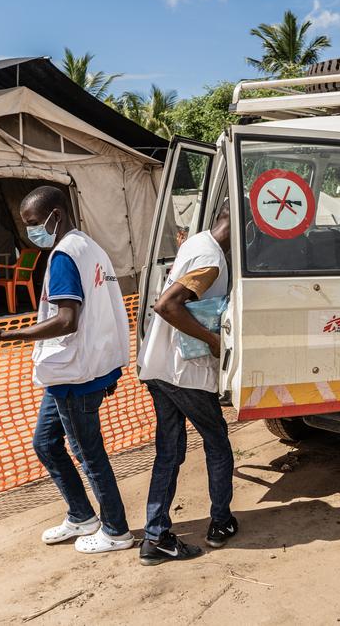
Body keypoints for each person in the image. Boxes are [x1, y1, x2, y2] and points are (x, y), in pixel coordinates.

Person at [0, 186, 133, 555]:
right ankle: (82, 516)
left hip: (75, 373)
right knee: (45, 443)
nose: (30, 232)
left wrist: (4, 334)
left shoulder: (64, 256)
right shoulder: (91, 247)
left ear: (56, 214)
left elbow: (66, 320)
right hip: (80, 369)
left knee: (89, 454)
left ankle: (116, 531)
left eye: (34, 223)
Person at [135, 201, 237, 566]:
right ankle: (221, 522)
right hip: (184, 373)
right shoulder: (210, 260)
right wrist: (213, 341)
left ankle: (156, 536)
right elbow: (167, 305)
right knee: (217, 441)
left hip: (159, 368)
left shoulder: (197, 243)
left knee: (169, 451)